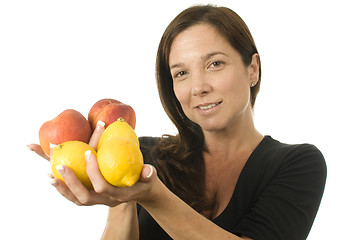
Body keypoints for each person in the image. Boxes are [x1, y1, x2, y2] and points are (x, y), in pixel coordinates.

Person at [29, 4, 327, 240]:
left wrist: (152, 196)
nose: (198, 87)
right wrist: (119, 195)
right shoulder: (144, 155)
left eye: (215, 64)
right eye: (181, 73)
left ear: (253, 69)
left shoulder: (299, 163)